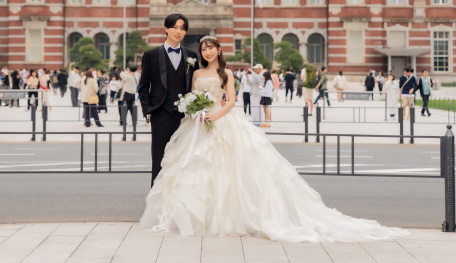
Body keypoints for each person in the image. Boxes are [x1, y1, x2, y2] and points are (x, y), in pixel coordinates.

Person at [140, 35, 406, 242]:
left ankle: (225, 217)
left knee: (227, 172)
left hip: (219, 121)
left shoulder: (227, 74)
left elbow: (231, 102)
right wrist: (194, 110)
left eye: (212, 48)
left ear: (219, 51)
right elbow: (189, 95)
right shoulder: (195, 73)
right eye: (204, 49)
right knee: (194, 170)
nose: (208, 52)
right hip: (196, 125)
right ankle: (194, 215)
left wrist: (213, 116)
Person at [138, 13, 199, 185]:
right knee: (159, 158)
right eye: (175, 27)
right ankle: (156, 202)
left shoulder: (192, 55)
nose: (178, 31)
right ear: (166, 28)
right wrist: (148, 111)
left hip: (185, 117)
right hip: (160, 114)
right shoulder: (151, 55)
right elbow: (143, 87)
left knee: (183, 159)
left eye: (182, 28)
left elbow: (198, 84)